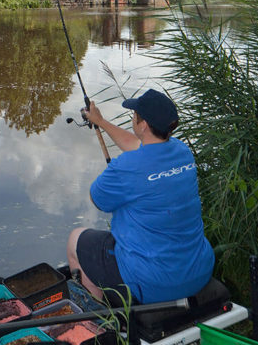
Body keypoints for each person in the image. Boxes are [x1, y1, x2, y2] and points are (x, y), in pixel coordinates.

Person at [66, 88, 214, 305]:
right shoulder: (182, 152)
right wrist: (101, 121)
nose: (133, 118)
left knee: (75, 240)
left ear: (143, 125)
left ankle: (97, 324)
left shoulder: (125, 167)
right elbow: (136, 145)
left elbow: (96, 199)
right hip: (198, 272)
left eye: (135, 115)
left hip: (152, 284)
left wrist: (118, 180)